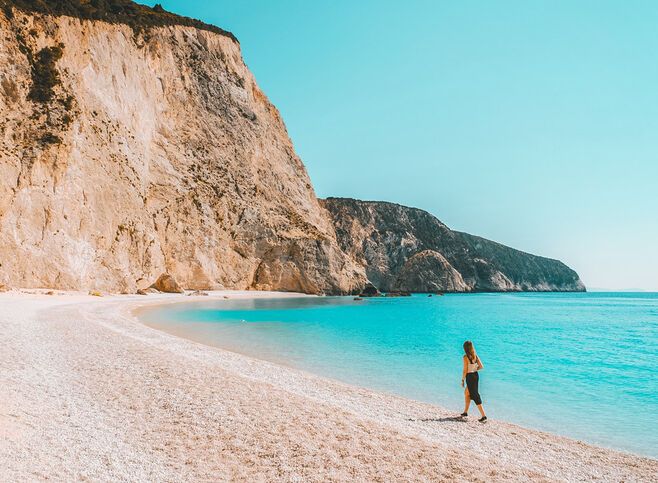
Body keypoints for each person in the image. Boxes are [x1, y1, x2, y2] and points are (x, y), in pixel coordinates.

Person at [461, 340, 487, 422]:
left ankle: (484, 416)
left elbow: (465, 370)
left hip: (469, 376)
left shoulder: (465, 357)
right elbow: (481, 366)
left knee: (475, 395)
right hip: (475, 375)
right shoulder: (475, 356)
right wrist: (474, 369)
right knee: (467, 393)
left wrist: (462, 380)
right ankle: (465, 412)